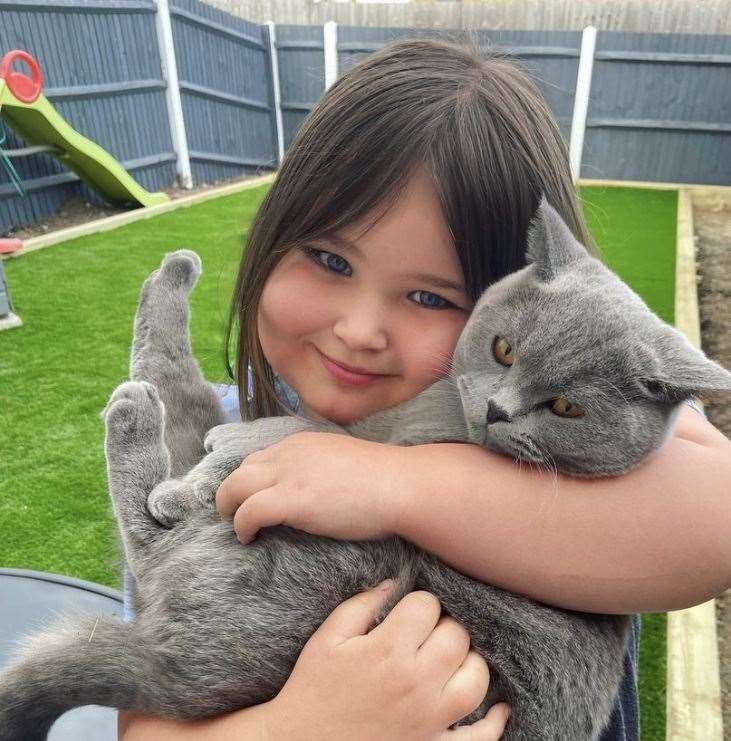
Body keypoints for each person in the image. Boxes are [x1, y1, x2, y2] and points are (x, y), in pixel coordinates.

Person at [119, 37, 731, 739]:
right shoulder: (218, 441)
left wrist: (391, 483)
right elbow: (143, 710)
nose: (359, 329)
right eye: (327, 258)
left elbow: (715, 516)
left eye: (430, 297)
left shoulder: (544, 438)